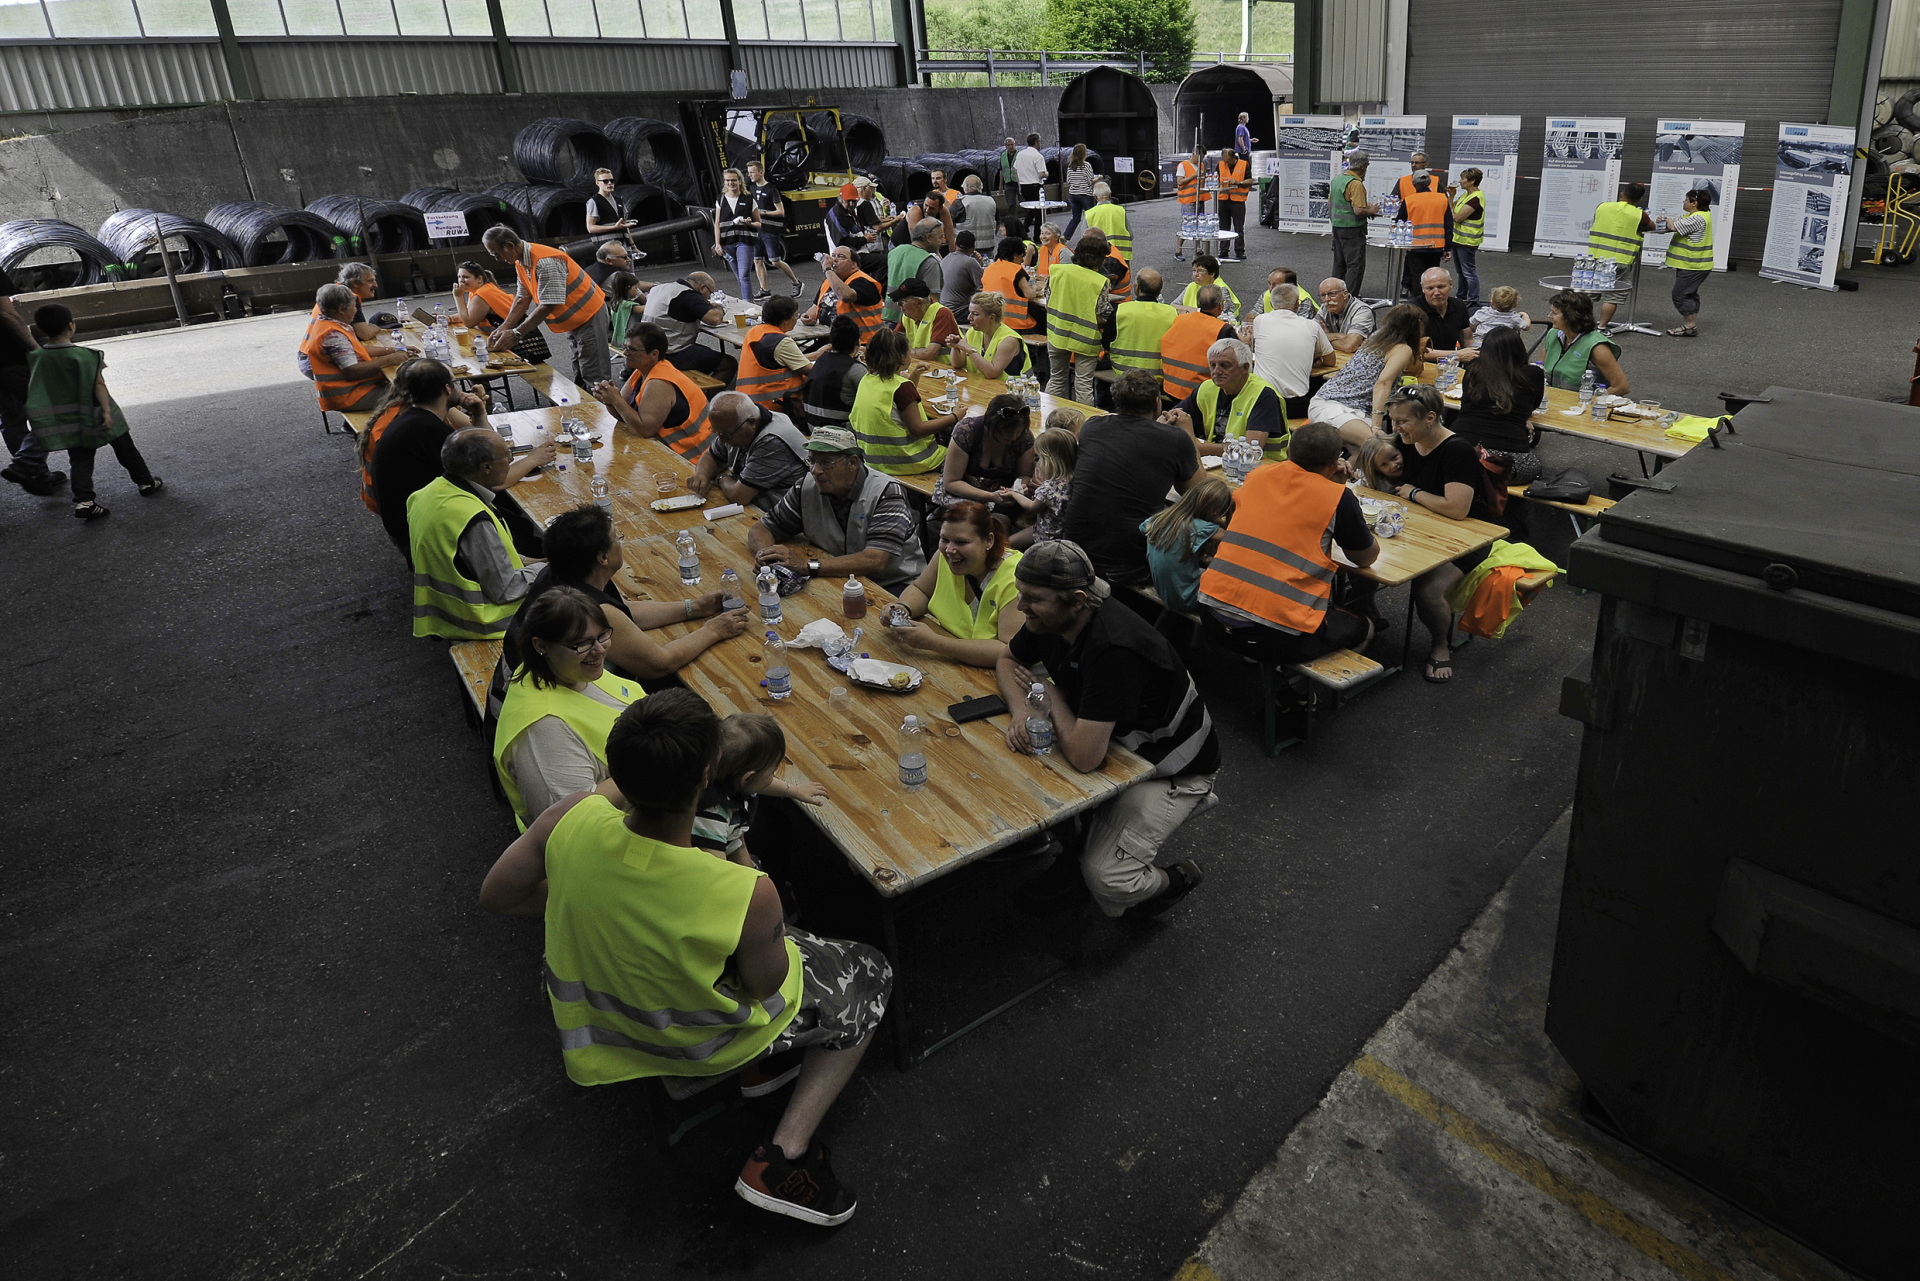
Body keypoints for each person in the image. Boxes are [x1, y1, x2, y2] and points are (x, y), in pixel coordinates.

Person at [479, 688, 892, 1227]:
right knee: (868, 970)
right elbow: (767, 987)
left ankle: (762, 1072)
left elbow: (498, 895)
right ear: (706, 778)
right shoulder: (742, 889)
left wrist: (600, 900)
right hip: (693, 1042)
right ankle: (785, 1153)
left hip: (598, 1031)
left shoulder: (569, 818)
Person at [995, 540, 1218, 918]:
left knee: (1107, 878)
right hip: (1115, 742)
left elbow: (1085, 757)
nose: (1020, 606)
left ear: (1078, 600)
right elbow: (1007, 659)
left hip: (1170, 769)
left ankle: (1174, 881)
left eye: (1033, 599)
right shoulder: (1052, 617)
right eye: (1020, 593)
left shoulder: (1114, 647)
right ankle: (1075, 850)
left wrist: (1051, 699)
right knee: (1017, 764)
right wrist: (1021, 711)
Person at [504, 505, 746, 692]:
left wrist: (693, 607)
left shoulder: (560, 573)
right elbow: (658, 664)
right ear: (602, 557)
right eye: (617, 538)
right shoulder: (583, 608)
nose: (621, 543)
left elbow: (623, 614)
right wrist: (713, 630)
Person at [1197, 420, 1381, 662]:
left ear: (1287, 452)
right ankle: (1297, 682)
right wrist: (1336, 490)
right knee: (1366, 627)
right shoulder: (1338, 498)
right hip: (1274, 633)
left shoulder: (1256, 476)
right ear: (1334, 463)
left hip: (1210, 612)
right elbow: (1366, 557)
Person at [493, 586, 647, 830]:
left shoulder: (570, 670)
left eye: (602, 635)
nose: (599, 650)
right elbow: (571, 820)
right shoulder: (543, 730)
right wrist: (658, 765)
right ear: (541, 646)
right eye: (580, 644)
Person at [1383, 384, 1506, 683]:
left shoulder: (1456, 450)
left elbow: (1457, 509)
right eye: (1393, 420)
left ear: (1429, 418)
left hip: (1466, 537)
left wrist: (1414, 493)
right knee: (1361, 561)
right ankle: (1371, 617)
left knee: (1428, 590)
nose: (1395, 428)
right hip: (1421, 527)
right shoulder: (1405, 440)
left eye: (1402, 421)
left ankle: (1440, 645)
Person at [371, 358, 538, 550]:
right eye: (455, 382)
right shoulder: (431, 431)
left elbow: (487, 449)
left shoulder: (412, 420)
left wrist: (479, 414)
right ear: (448, 389)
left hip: (410, 522)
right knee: (529, 538)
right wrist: (534, 459)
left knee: (512, 514)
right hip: (428, 534)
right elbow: (493, 479)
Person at [1059, 369, 1200, 585]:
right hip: (1129, 563)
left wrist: (1160, 430)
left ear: (1116, 402)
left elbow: (1132, 439)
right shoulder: (1176, 439)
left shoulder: (1092, 426)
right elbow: (1201, 493)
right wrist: (1188, 435)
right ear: (1157, 403)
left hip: (1075, 549)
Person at [747, 427, 926, 592]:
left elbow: (875, 560)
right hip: (836, 576)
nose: (815, 470)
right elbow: (762, 528)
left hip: (893, 584)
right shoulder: (806, 487)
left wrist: (804, 565)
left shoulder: (886, 492)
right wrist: (768, 559)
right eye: (812, 461)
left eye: (826, 463)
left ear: (853, 463)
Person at [25, 303, 160, 520]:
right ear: (71, 326)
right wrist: (106, 412)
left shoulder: (37, 357)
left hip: (70, 420)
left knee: (80, 459)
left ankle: (84, 501)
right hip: (96, 412)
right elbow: (98, 385)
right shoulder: (85, 355)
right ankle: (146, 483)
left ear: (41, 329)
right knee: (125, 449)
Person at [408, 426, 542, 640]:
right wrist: (550, 568)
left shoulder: (428, 493)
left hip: (443, 612)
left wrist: (536, 561)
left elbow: (485, 558)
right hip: (479, 619)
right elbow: (506, 589)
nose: (511, 460)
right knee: (578, 592)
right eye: (507, 455)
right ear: (486, 467)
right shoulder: (473, 518)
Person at [892, 499, 1027, 666]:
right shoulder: (945, 557)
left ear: (989, 541)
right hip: (954, 658)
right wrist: (902, 609)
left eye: (961, 542)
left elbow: (1009, 651)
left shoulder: (1015, 577)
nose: (950, 550)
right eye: (944, 539)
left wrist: (933, 642)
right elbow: (921, 590)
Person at [482, 225, 612, 387]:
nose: (497, 259)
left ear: (509, 245)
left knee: (594, 372)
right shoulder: (521, 261)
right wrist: (504, 327)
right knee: (581, 367)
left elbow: (548, 305)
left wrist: (516, 333)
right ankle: (588, 399)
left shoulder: (545, 262)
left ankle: (601, 401)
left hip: (589, 314)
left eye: (496, 253)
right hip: (576, 316)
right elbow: (522, 298)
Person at [693, 713, 828, 867]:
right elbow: (717, 870)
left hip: (731, 841)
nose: (772, 777)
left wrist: (794, 791)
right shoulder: (712, 817)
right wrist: (754, 875)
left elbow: (763, 783)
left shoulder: (728, 776)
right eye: (772, 772)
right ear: (748, 779)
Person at [1308, 302, 1425, 449]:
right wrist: (1377, 426)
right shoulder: (1402, 349)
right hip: (1336, 408)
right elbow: (1383, 383)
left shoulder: (1377, 337)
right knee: (1379, 447)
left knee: (1360, 453)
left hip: (1329, 403)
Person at [593, 322, 715, 461]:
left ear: (654, 354)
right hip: (673, 451)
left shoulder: (660, 382)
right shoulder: (641, 371)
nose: (625, 352)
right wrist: (609, 400)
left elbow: (645, 430)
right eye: (625, 347)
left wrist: (616, 400)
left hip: (696, 459)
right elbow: (623, 414)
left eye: (632, 349)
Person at [1161, 337, 1288, 461]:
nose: (1217, 371)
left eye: (1225, 365)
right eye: (1213, 365)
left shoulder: (1264, 395)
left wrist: (1200, 448)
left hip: (1263, 465)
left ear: (1244, 368)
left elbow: (1250, 451)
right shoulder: (1207, 388)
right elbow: (1167, 417)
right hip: (1221, 460)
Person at [847, 327, 953, 474]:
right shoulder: (902, 387)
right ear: (901, 358)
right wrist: (954, 417)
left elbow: (898, 403)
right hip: (909, 460)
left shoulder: (867, 379)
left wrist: (915, 375)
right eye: (909, 353)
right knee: (959, 452)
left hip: (873, 460)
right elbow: (918, 429)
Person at [1450, 327, 1545, 484]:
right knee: (1537, 466)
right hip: (1508, 458)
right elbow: (1532, 404)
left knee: (1460, 465)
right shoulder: (1533, 374)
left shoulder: (1473, 369)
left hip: (1460, 449)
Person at [688, 390, 810, 512]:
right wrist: (702, 474)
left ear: (752, 422)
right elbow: (711, 456)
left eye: (726, 435)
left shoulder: (772, 441)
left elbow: (739, 497)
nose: (722, 440)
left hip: (789, 513)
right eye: (717, 433)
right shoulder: (735, 425)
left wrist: (721, 478)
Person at [299, 283, 408, 416]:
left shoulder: (327, 324)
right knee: (415, 393)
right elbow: (353, 371)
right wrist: (390, 359)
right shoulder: (333, 335)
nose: (356, 310)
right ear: (341, 309)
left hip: (353, 388)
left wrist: (393, 350)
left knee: (407, 384)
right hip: (350, 395)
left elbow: (357, 350)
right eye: (354, 306)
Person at [0, 282, 60, 496]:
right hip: (8, 357)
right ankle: (26, 465)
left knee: (10, 417)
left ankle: (37, 475)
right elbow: (6, 313)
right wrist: (36, 349)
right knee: (52, 409)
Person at [1141, 476, 1235, 613]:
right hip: (1188, 599)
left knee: (1204, 569)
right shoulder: (1201, 528)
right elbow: (1235, 540)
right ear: (1215, 512)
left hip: (1165, 593)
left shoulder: (1158, 519)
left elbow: (1143, 528)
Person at [933, 392, 1035, 517]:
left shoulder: (1024, 438)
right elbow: (951, 482)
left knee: (999, 523)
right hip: (965, 491)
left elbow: (1024, 474)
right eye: (1007, 433)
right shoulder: (966, 432)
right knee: (967, 521)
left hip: (1004, 495)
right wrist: (991, 496)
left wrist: (1018, 487)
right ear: (991, 424)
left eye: (1018, 432)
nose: (1014, 437)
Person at [1243, 282, 1334, 416]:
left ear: (1272, 304)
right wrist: (1309, 358)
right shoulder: (1311, 326)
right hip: (1295, 405)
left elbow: (1259, 349)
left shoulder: (1260, 320)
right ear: (1297, 304)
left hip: (1262, 401)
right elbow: (1331, 361)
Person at [1042, 235, 1111, 405]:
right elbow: (1101, 314)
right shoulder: (1099, 282)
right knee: (1083, 385)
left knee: (1056, 379)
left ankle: (1048, 414)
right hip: (1086, 340)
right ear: (1099, 259)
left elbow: (1048, 303)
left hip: (1057, 334)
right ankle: (1083, 420)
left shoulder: (1058, 271)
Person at [642, 270, 734, 381]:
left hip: (648, 348)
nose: (709, 298)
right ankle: (700, 392)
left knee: (706, 352)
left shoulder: (661, 288)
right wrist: (720, 308)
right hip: (671, 353)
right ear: (702, 288)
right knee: (728, 363)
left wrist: (705, 304)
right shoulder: (688, 294)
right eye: (710, 293)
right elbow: (714, 319)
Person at [1587, 182, 1656, 327]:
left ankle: (1580, 325)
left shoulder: (1602, 207)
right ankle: (1602, 327)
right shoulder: (1639, 214)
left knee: (1590, 293)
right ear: (1639, 200)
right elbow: (1652, 227)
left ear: (1622, 194)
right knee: (1612, 296)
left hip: (1596, 257)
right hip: (1621, 260)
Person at [731, 293, 812, 417]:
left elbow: (783, 360)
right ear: (785, 320)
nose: (797, 319)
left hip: (748, 402)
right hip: (775, 407)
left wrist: (816, 354)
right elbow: (811, 371)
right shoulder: (782, 342)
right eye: (796, 315)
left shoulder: (755, 331)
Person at [1158, 284, 1238, 403]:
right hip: (1200, 396)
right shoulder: (1223, 330)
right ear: (1220, 306)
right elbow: (1238, 362)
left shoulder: (1180, 319)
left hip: (1169, 390)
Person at [1541, 290, 1629, 396]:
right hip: (1550, 399)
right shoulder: (1553, 334)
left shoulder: (1597, 347)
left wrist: (1593, 401)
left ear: (1570, 316)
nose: (1549, 316)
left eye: (1554, 313)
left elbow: (1621, 387)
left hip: (1580, 403)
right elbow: (1540, 370)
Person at [1005, 425, 1075, 549]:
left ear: (1048, 461)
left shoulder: (1049, 487)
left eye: (1039, 458)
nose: (1036, 462)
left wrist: (1014, 494)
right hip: (1064, 533)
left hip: (1046, 534)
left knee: (1009, 543)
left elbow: (1032, 507)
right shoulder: (1076, 481)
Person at [803, 245, 884, 347]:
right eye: (833, 256)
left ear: (853, 264)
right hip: (832, 338)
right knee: (798, 357)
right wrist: (807, 316)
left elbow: (846, 296)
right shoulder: (829, 281)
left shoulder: (863, 281)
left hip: (860, 343)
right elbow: (816, 306)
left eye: (841, 257)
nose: (835, 260)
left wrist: (828, 270)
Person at [1106, 266, 1177, 381]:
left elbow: (1106, 343)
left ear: (1137, 287)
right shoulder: (1171, 313)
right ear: (1159, 290)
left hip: (1123, 374)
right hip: (1157, 378)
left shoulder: (1121, 310)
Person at [745, 159, 802, 300]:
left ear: (761, 172)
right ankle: (764, 290)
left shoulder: (771, 189)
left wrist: (763, 213)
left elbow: (781, 212)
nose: (750, 175)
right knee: (757, 260)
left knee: (775, 261)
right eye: (749, 173)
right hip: (757, 229)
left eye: (752, 172)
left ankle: (796, 283)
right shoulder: (751, 189)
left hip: (770, 230)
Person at [1664, 187, 1714, 337]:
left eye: (1686, 200)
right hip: (1692, 264)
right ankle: (1690, 325)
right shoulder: (1695, 215)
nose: (1684, 202)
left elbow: (1673, 226)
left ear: (1694, 203)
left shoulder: (1697, 218)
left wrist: (1669, 221)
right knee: (1689, 294)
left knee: (1680, 294)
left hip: (1693, 264)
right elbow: (1676, 220)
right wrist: (1668, 220)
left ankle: (1690, 326)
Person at [801, 315, 865, 432]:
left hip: (812, 427)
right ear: (858, 342)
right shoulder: (855, 369)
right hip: (840, 432)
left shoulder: (820, 361)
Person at [1331, 150, 1379, 297]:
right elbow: (1358, 211)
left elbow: (1330, 205)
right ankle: (1350, 298)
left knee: (1339, 264)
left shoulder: (1338, 180)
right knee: (1354, 265)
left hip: (1338, 227)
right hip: (1353, 230)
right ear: (1363, 166)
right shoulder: (1355, 184)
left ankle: (1335, 295)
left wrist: (1334, 224)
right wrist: (1372, 210)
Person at [948, 291, 1027, 379]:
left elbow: (991, 373)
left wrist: (970, 350)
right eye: (969, 312)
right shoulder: (972, 332)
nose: (969, 318)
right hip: (982, 385)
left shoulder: (1009, 340)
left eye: (975, 314)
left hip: (1013, 386)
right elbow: (957, 364)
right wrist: (956, 347)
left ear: (992, 317)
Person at [883, 218, 947, 326]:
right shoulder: (929, 262)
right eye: (941, 237)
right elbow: (932, 303)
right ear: (928, 237)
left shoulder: (895, 252)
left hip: (890, 315)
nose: (943, 241)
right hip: (911, 322)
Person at [712, 168, 762, 302]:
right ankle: (750, 298)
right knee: (739, 276)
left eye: (734, 180)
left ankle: (747, 303)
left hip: (745, 241)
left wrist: (748, 222)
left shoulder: (749, 199)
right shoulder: (720, 199)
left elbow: (759, 223)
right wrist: (717, 244)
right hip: (727, 243)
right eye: (727, 180)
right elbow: (717, 223)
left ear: (740, 181)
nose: (731, 183)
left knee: (744, 275)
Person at [1401, 172, 1451, 299]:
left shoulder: (1409, 200)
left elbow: (1399, 222)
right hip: (1436, 245)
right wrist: (1448, 248)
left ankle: (1419, 302)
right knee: (1433, 276)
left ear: (1414, 184)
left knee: (1417, 276)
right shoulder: (1442, 199)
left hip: (1415, 246)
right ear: (1429, 183)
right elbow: (1449, 224)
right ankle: (1433, 300)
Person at [980, 235, 1041, 339]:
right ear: (1015, 255)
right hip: (1015, 324)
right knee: (1042, 324)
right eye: (1022, 257)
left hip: (992, 321)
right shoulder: (1016, 270)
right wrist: (1034, 287)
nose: (1022, 261)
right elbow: (1030, 295)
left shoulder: (989, 269)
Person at [889, 279, 957, 362]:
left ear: (919, 303)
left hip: (948, 367)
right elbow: (892, 343)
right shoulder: (907, 316)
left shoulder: (941, 313)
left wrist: (901, 352)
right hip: (926, 365)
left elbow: (930, 354)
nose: (899, 305)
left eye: (902, 301)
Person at [1414, 266, 1474, 354]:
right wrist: (1456, 354)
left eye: (1441, 287)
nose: (1436, 293)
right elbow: (1415, 351)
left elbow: (1467, 340)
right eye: (1430, 288)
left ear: (1451, 284)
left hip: (1452, 361)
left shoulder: (1459, 305)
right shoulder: (1413, 311)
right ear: (1423, 288)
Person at [1451, 168, 1486, 305]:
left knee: (1469, 272)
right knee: (1461, 272)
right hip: (1458, 239)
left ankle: (1472, 299)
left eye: (1463, 179)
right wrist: (1451, 196)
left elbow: (1457, 217)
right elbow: (1451, 208)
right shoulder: (1465, 195)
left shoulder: (1475, 198)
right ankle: (1461, 297)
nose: (1460, 181)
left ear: (1472, 181)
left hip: (1467, 241)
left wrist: (1452, 212)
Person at [938, 229, 985, 327]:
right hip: (959, 313)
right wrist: (978, 264)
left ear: (955, 244)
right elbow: (984, 286)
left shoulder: (947, 258)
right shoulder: (970, 262)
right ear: (973, 247)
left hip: (943, 309)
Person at [1317, 278, 1376, 353]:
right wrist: (1339, 336)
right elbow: (1310, 335)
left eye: (1332, 294)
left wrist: (1324, 338)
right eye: (1323, 295)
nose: (1326, 299)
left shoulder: (1362, 311)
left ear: (1345, 294)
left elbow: (1349, 346)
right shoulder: (1325, 307)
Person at [1216, 148, 1251, 263]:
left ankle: (1239, 250)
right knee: (1223, 227)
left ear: (1234, 157)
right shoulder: (1220, 165)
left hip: (1238, 200)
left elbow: (1250, 180)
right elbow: (1215, 179)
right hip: (1223, 200)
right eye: (1225, 161)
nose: (1226, 163)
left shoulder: (1244, 164)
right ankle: (1223, 250)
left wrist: (1239, 183)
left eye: (1228, 161)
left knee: (1238, 227)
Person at [1083, 183, 1131, 260]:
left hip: (1098, 257)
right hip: (1121, 256)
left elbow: (1084, 239)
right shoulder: (1121, 211)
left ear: (1095, 196)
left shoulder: (1089, 214)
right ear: (1110, 194)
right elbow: (1131, 234)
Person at [1015, 133, 1050, 237]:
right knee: (1039, 211)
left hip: (1024, 185)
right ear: (1036, 142)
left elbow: (1016, 170)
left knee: (1031, 208)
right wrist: (1047, 174)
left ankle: (1024, 228)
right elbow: (1041, 174)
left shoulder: (1020, 154)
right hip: (1035, 185)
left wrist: (1019, 185)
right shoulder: (1038, 156)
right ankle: (1037, 235)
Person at [1061, 144, 1097, 241]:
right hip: (1086, 194)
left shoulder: (1070, 166)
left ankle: (1065, 236)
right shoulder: (1086, 165)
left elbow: (1068, 181)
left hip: (1073, 194)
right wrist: (1098, 178)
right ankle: (1093, 236)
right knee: (1091, 217)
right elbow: (1090, 180)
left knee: (1075, 218)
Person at [1255, 267, 1319, 320]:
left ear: (1289, 286)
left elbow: (1300, 325)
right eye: (1269, 283)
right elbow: (1253, 315)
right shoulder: (1267, 294)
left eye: (1275, 285)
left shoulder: (1303, 300)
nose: (1270, 288)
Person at [1174, 144, 1203, 261]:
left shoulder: (1200, 165)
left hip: (1199, 198)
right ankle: (1178, 250)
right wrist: (1195, 175)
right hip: (1188, 199)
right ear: (1194, 154)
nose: (1201, 160)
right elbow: (1180, 181)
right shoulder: (1183, 165)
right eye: (1200, 157)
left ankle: (1198, 248)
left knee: (1200, 223)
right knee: (1187, 225)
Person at [956, 174, 1001, 249]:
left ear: (964, 187)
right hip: (988, 246)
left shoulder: (960, 202)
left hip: (966, 248)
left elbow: (948, 221)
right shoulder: (991, 201)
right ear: (981, 187)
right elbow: (998, 224)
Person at [585, 168, 632, 238]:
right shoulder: (594, 202)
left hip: (623, 241)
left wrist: (632, 244)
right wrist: (613, 227)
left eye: (612, 181)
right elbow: (590, 228)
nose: (610, 183)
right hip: (606, 241)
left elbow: (624, 225)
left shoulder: (619, 200)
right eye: (605, 181)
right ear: (597, 183)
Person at [603, 271, 644, 350]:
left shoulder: (615, 302)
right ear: (627, 288)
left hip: (618, 338)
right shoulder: (626, 305)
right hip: (627, 339)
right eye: (636, 288)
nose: (637, 291)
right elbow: (644, 309)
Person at [998, 137, 1021, 212]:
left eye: (1012, 144)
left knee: (1023, 202)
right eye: (1009, 145)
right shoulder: (1003, 156)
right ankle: (1013, 218)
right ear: (1006, 146)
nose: (1011, 146)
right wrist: (1001, 185)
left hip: (1019, 182)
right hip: (1008, 183)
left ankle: (1028, 218)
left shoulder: (1019, 154)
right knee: (1011, 204)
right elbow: (1001, 170)